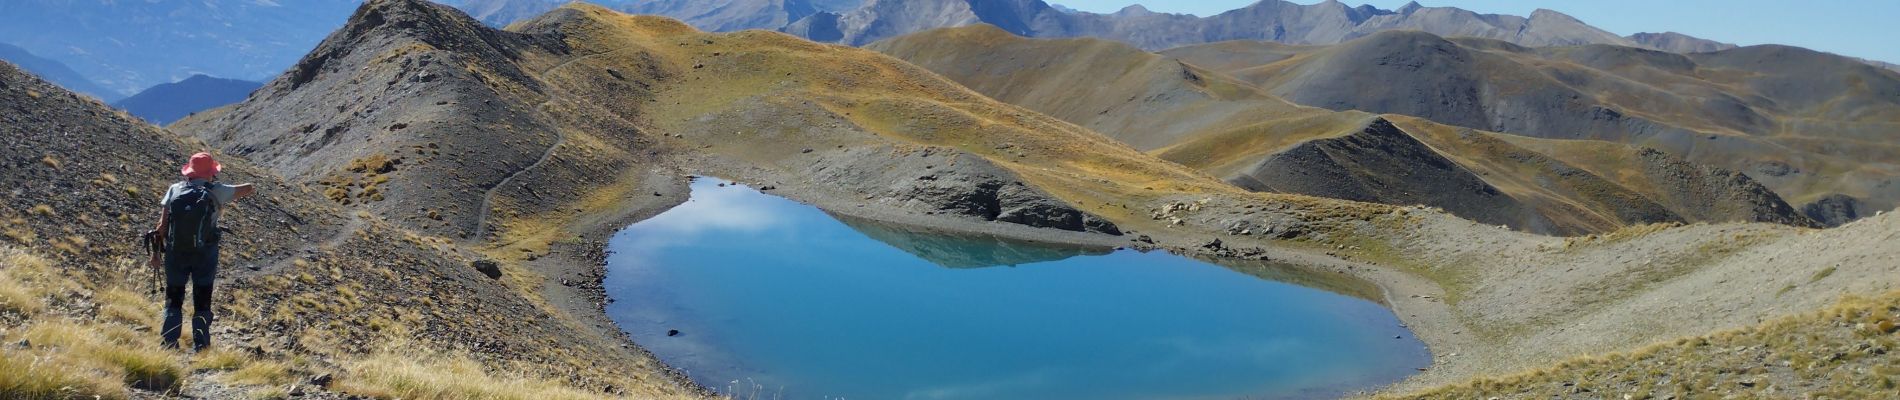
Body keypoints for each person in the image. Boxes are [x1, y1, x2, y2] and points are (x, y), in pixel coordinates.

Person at [147, 152, 255, 352]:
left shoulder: (175, 189)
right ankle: (201, 347)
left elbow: (161, 227)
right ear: (210, 173)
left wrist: (155, 255)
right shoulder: (217, 190)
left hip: (175, 252)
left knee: (174, 298)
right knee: (202, 298)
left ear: (190, 171)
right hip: (205, 254)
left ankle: (169, 345)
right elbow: (249, 188)